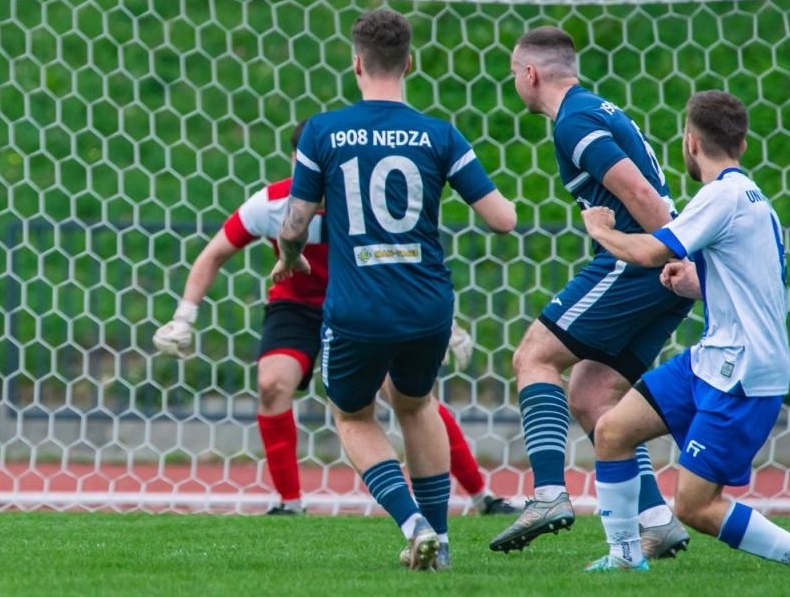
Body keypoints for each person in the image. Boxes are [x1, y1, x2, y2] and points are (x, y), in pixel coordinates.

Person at [152, 124, 520, 517]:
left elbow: (404, 262)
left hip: (360, 305)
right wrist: (183, 317)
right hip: (297, 308)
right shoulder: (271, 204)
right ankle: (289, 505)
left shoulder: (366, 203)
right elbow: (213, 254)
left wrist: (447, 326)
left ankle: (483, 496)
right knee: (272, 384)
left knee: (408, 397)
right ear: (296, 162)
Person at [278, 8, 517, 570]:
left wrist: (290, 259)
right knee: (416, 403)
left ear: (356, 62)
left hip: (359, 307)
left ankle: (413, 526)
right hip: (428, 304)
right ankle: (439, 542)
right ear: (410, 62)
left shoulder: (323, 130)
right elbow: (502, 219)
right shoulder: (439, 133)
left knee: (354, 415)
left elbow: (294, 224)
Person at [578, 91, 790, 572]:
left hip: (743, 372)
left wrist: (600, 229)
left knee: (695, 506)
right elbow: (753, 289)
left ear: (690, 142)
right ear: (742, 144)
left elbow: (647, 252)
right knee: (613, 431)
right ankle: (623, 558)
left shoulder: (721, 196)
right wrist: (697, 285)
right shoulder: (752, 199)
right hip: (711, 359)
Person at [489, 26, 693, 558]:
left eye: (514, 74)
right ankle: (656, 519)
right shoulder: (597, 109)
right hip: (659, 271)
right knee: (591, 397)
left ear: (530, 74)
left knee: (533, 356)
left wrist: (675, 251)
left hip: (638, 263)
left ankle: (550, 494)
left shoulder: (575, 121)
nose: (515, 83)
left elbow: (639, 191)